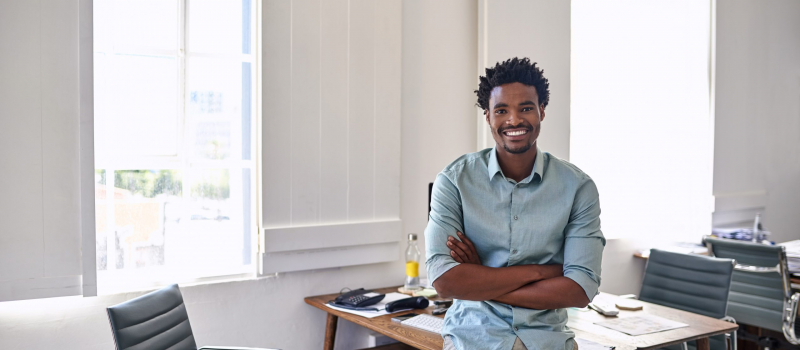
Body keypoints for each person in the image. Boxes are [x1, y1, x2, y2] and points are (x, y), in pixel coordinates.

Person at [424, 57, 605, 350]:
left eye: (526, 108)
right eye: (501, 110)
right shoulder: (454, 181)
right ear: (488, 116)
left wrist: (481, 279)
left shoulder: (578, 188)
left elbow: (580, 289)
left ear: (541, 111)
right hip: (474, 339)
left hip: (549, 341)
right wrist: (541, 271)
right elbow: (444, 280)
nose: (514, 120)